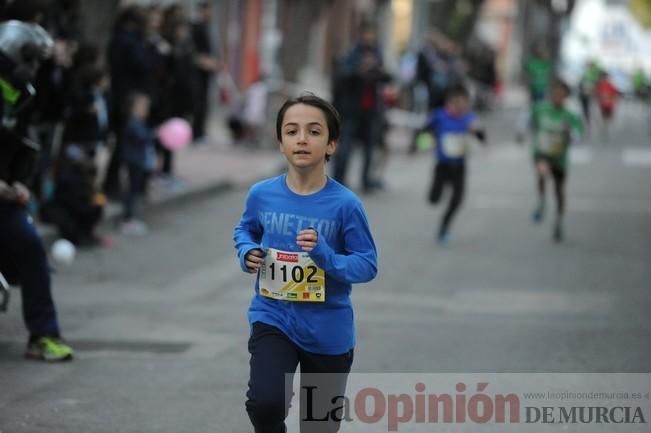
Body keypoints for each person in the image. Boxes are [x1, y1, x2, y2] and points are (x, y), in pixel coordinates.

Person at [233, 93, 378, 433]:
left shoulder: (346, 205)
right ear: (281, 143)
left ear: (331, 145)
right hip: (274, 317)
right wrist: (246, 251)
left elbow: (367, 264)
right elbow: (245, 229)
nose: (301, 139)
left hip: (328, 330)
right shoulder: (261, 194)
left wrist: (325, 256)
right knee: (265, 405)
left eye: (314, 132)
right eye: (291, 131)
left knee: (319, 427)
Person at [0, 20, 74, 361]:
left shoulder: (22, 98)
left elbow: (19, 147)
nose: (32, 69)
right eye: (28, 59)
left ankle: (42, 336)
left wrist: (17, 184)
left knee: (30, 248)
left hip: (5, 197)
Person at [332, 23, 390, 193]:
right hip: (351, 111)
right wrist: (360, 69)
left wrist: (377, 69)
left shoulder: (377, 55)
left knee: (370, 149)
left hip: (371, 111)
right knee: (345, 148)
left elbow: (386, 78)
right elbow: (341, 77)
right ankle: (338, 181)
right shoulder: (351, 55)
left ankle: (366, 180)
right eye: (367, 35)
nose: (370, 39)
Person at [425, 84, 485, 243]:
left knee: (457, 200)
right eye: (456, 103)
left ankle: (444, 227)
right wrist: (424, 140)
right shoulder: (439, 116)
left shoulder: (469, 119)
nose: (459, 107)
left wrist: (476, 131)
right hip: (442, 165)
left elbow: (483, 137)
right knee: (434, 198)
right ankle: (435, 194)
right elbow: (424, 130)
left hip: (459, 166)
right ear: (448, 103)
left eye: (463, 104)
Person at [528, 78, 582, 242]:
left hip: (560, 157)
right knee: (542, 173)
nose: (557, 97)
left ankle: (559, 222)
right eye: (554, 93)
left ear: (566, 96)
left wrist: (569, 132)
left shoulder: (570, 116)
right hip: (542, 153)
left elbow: (578, 137)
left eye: (561, 94)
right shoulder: (540, 109)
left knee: (559, 191)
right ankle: (542, 202)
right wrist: (522, 133)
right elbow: (528, 121)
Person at [120, 92, 156, 236]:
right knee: (132, 190)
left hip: (138, 160)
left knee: (134, 190)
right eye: (142, 107)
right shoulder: (133, 123)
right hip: (133, 161)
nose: (145, 109)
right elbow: (142, 137)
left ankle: (130, 217)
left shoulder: (140, 122)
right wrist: (153, 135)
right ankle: (127, 218)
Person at [191, 0, 221, 142]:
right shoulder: (196, 27)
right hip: (197, 72)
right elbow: (194, 51)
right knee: (197, 103)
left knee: (204, 103)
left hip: (207, 72)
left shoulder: (210, 27)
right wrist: (203, 61)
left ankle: (201, 132)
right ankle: (196, 133)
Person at [594, 71, 619, 141]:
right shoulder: (599, 85)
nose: (603, 79)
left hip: (610, 104)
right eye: (602, 77)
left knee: (609, 117)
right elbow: (596, 94)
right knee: (604, 117)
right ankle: (604, 127)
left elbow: (615, 93)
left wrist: (613, 99)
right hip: (602, 105)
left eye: (605, 77)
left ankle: (606, 127)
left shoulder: (610, 85)